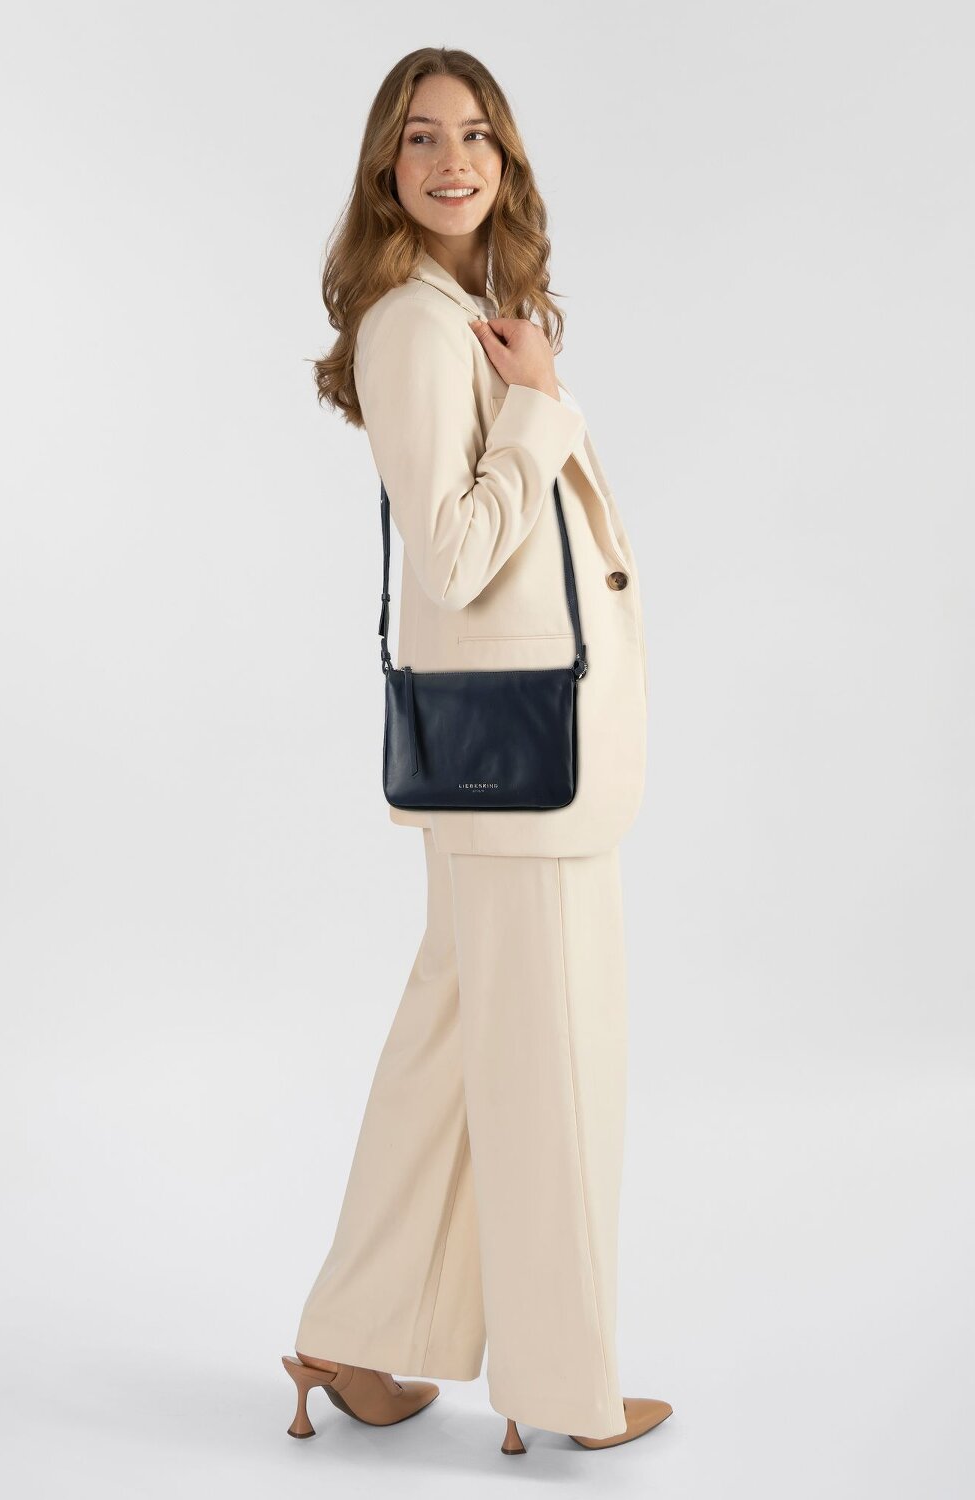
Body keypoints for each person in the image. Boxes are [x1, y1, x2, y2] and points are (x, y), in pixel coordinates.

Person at [284, 47, 670, 1456]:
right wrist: (541, 410)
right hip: (522, 770)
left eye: (476, 137)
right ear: (385, 168)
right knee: (553, 1070)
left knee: (453, 1057)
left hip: (519, 769)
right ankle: (565, 1389)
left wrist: (529, 387)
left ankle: (355, 1335)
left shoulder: (467, 318)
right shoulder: (413, 327)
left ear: (505, 162)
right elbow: (451, 557)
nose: (452, 161)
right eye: (421, 138)